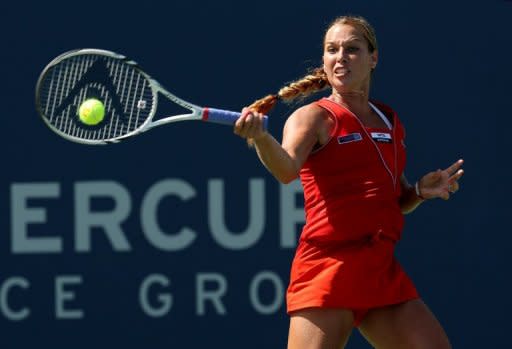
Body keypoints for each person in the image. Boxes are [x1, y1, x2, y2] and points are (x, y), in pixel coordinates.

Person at [233, 15, 464, 349]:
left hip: (378, 269)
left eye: (352, 49)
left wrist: (417, 192)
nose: (340, 57)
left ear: (373, 58)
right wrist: (261, 139)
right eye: (332, 50)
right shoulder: (312, 117)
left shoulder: (390, 120)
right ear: (324, 61)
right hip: (329, 268)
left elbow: (393, 197)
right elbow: (285, 170)